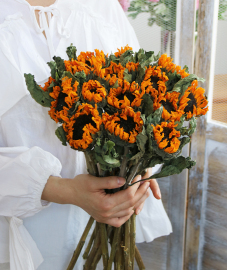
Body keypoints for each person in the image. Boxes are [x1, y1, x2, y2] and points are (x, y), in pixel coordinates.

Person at [0, 0, 172, 269]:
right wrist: (63, 190)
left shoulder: (100, 8)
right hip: (19, 237)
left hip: (109, 227)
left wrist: (139, 169)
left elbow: (147, 101)